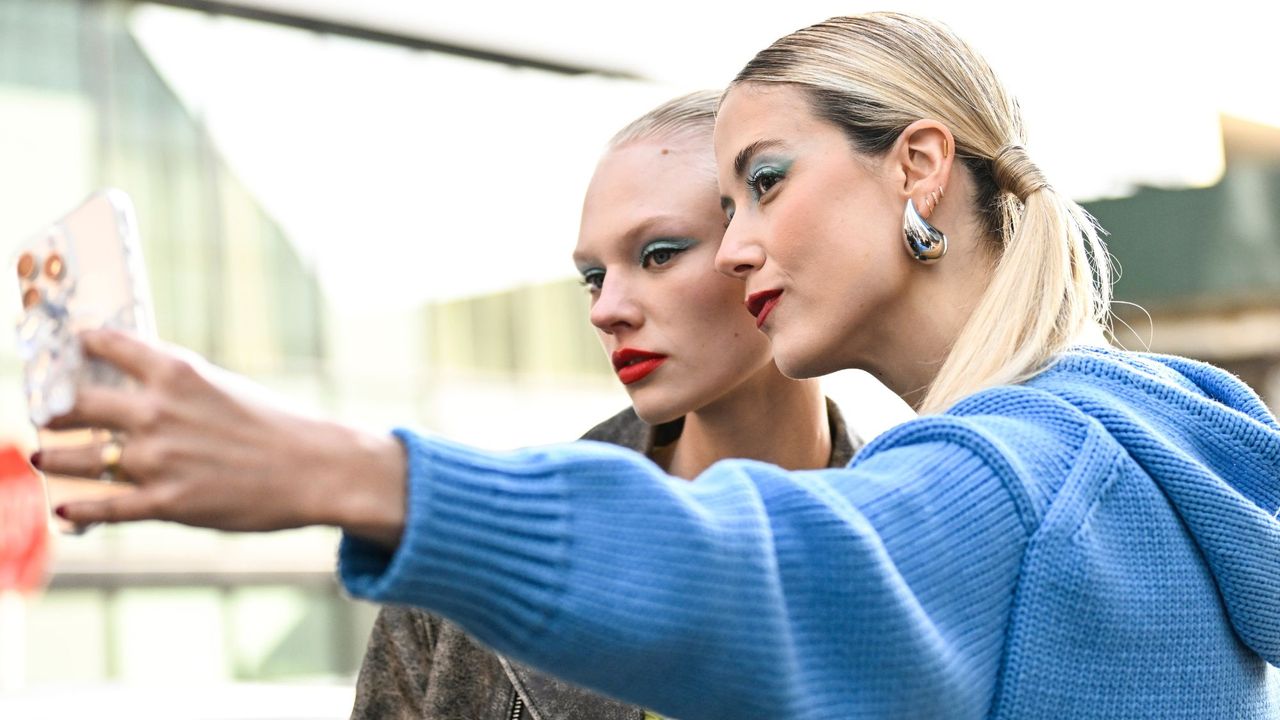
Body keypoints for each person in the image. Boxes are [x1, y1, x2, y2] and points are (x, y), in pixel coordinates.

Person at [38, 11, 1280, 720]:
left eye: (765, 185)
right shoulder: (1129, 445)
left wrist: (335, 469)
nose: (742, 246)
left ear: (915, 167)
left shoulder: (1012, 474)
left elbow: (751, 573)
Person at [348, 90, 859, 720]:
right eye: (594, 277)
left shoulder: (921, 545)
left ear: (759, 246)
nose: (605, 310)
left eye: (659, 254)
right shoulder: (474, 555)